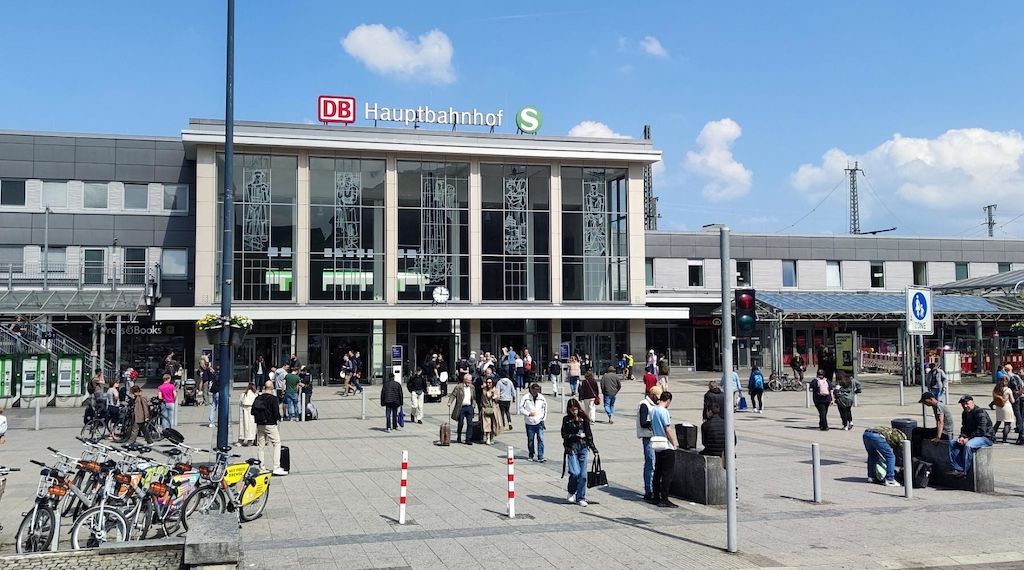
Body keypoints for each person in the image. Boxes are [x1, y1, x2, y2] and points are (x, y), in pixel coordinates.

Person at [561, 398, 599, 507]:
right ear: (569, 409)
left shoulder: (584, 419)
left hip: (583, 447)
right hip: (572, 447)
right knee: (575, 472)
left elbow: (589, 434)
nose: (575, 411)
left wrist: (593, 448)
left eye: (576, 409)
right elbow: (564, 435)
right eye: (572, 410)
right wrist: (575, 436)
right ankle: (571, 491)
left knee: (583, 475)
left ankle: (581, 497)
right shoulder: (566, 420)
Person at [949, 395, 994, 477]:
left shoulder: (980, 412)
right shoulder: (965, 413)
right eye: (963, 404)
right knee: (953, 442)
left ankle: (965, 471)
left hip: (986, 437)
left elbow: (981, 430)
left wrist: (968, 439)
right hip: (973, 436)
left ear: (973, 402)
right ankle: (957, 468)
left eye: (967, 403)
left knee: (968, 445)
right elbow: (964, 427)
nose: (965, 406)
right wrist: (962, 436)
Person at [252, 380, 287, 476]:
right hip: (270, 424)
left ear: (264, 387)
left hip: (259, 424)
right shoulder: (273, 399)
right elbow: (276, 412)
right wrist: (279, 418)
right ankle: (276, 467)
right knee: (277, 443)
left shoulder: (258, 398)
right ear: (272, 388)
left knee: (261, 446)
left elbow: (252, 411)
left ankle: (261, 467)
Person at [650, 391, 679, 508]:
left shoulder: (653, 410)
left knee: (657, 471)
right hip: (666, 445)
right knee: (667, 473)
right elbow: (668, 429)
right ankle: (664, 498)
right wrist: (674, 443)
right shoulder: (664, 411)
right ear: (668, 401)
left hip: (657, 444)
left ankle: (655, 496)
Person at [637, 385, 663, 502]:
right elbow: (643, 422)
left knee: (655, 463)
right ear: (652, 395)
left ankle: (654, 488)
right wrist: (655, 423)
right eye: (657, 397)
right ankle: (649, 490)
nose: (658, 399)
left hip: (655, 436)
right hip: (648, 438)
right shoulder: (644, 404)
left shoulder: (654, 405)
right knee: (650, 463)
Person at [913, 392, 955, 456]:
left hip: (945, 433)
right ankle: (916, 453)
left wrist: (938, 437)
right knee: (916, 430)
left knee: (918, 434)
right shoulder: (935, 406)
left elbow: (940, 422)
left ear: (931, 399)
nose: (924, 403)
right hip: (942, 431)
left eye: (925, 401)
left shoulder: (939, 406)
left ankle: (917, 455)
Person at [520, 383, 548, 461]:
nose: (536, 392)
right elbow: (521, 408)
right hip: (529, 422)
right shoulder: (526, 397)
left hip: (539, 422)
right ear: (531, 390)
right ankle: (531, 454)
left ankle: (540, 456)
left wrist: (543, 419)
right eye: (534, 390)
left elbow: (545, 409)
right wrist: (528, 414)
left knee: (540, 439)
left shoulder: (541, 398)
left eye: (537, 390)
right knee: (530, 439)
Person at [448, 373, 476, 445]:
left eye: (470, 381)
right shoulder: (459, 387)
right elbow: (453, 395)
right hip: (461, 407)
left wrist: (473, 405)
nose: (469, 382)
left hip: (469, 407)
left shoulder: (472, 387)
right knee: (461, 423)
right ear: (464, 380)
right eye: (468, 381)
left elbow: (474, 397)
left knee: (470, 423)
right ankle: (459, 436)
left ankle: (468, 439)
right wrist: (450, 402)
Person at [990, 377, 1015, 443]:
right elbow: (1012, 401)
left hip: (998, 407)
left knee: (998, 422)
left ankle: (992, 436)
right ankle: (1004, 439)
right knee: (1007, 423)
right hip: (1007, 407)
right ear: (1007, 382)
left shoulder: (995, 389)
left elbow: (994, 399)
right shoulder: (1008, 390)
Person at [480, 377, 504, 445]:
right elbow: (485, 397)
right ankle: (487, 438)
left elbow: (497, 398)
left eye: (490, 382)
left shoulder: (495, 390)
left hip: (495, 409)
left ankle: (491, 437)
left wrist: (495, 396)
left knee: (494, 424)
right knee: (487, 423)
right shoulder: (484, 390)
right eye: (487, 382)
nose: (488, 384)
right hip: (486, 409)